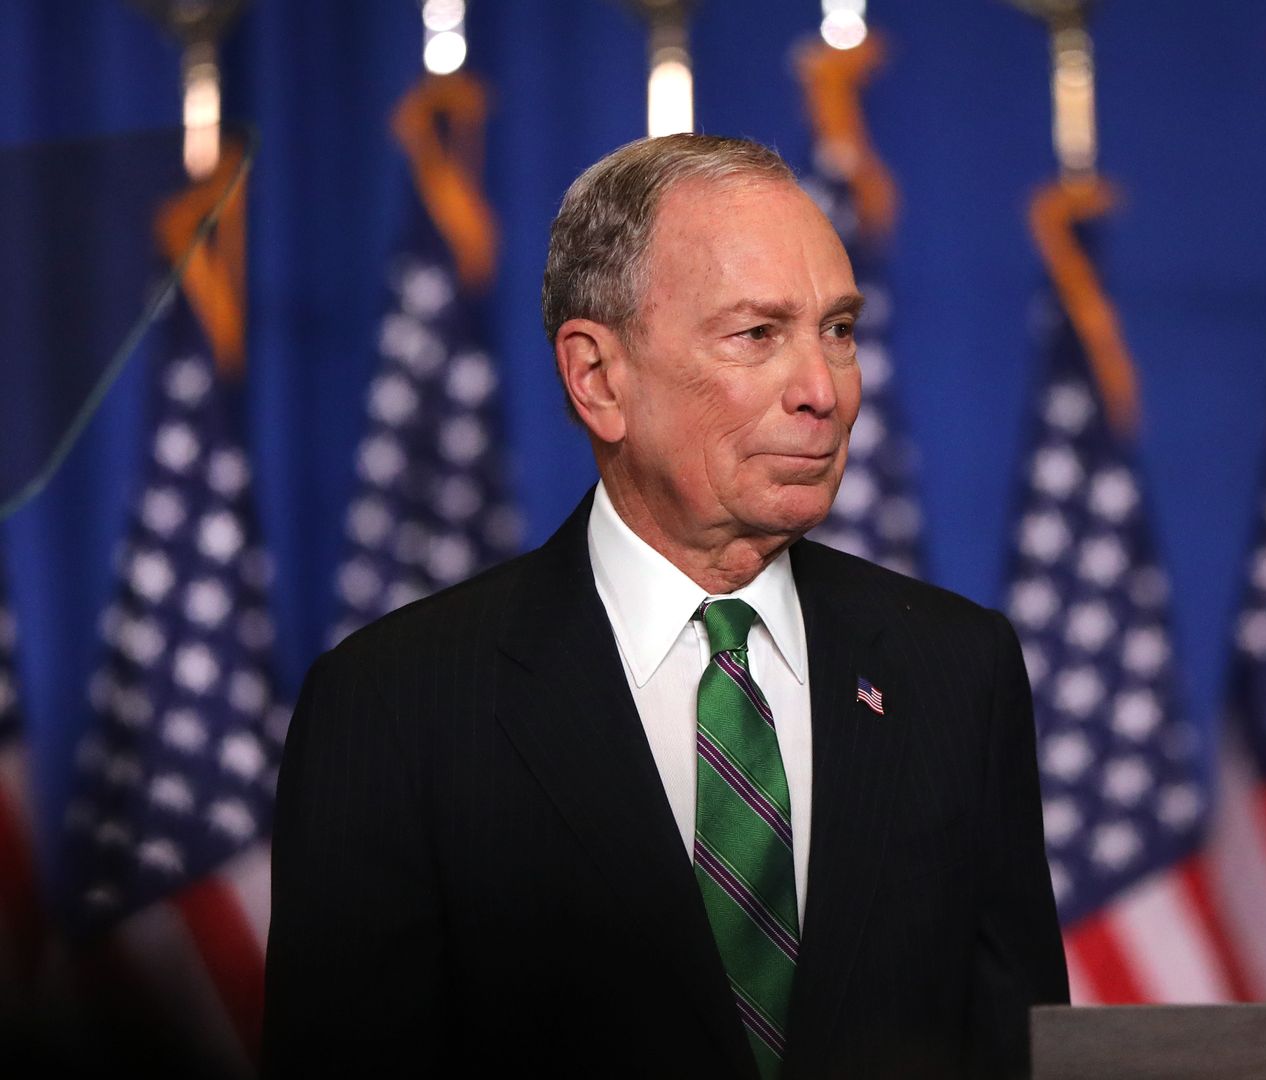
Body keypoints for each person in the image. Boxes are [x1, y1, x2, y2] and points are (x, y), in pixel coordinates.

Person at [263, 134, 1067, 1078]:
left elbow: (1018, 1054)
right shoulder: (395, 706)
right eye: (758, 335)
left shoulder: (955, 672)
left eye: (838, 330)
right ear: (598, 378)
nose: (823, 391)